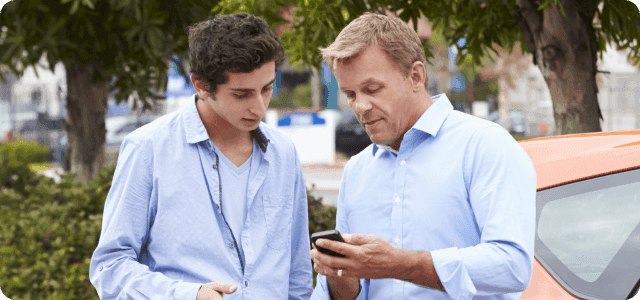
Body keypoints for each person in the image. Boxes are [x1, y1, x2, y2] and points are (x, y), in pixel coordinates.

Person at [309, 13, 536, 300]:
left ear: (415, 76)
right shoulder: (357, 170)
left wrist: (399, 264)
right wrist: (339, 273)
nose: (361, 106)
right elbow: (350, 293)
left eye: (372, 89)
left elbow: (511, 266)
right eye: (351, 94)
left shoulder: (484, 146)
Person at [90, 13, 313, 300]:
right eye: (242, 94)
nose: (259, 107)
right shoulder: (148, 149)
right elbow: (110, 266)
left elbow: (296, 275)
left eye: (267, 88)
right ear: (201, 85)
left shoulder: (283, 152)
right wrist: (188, 295)